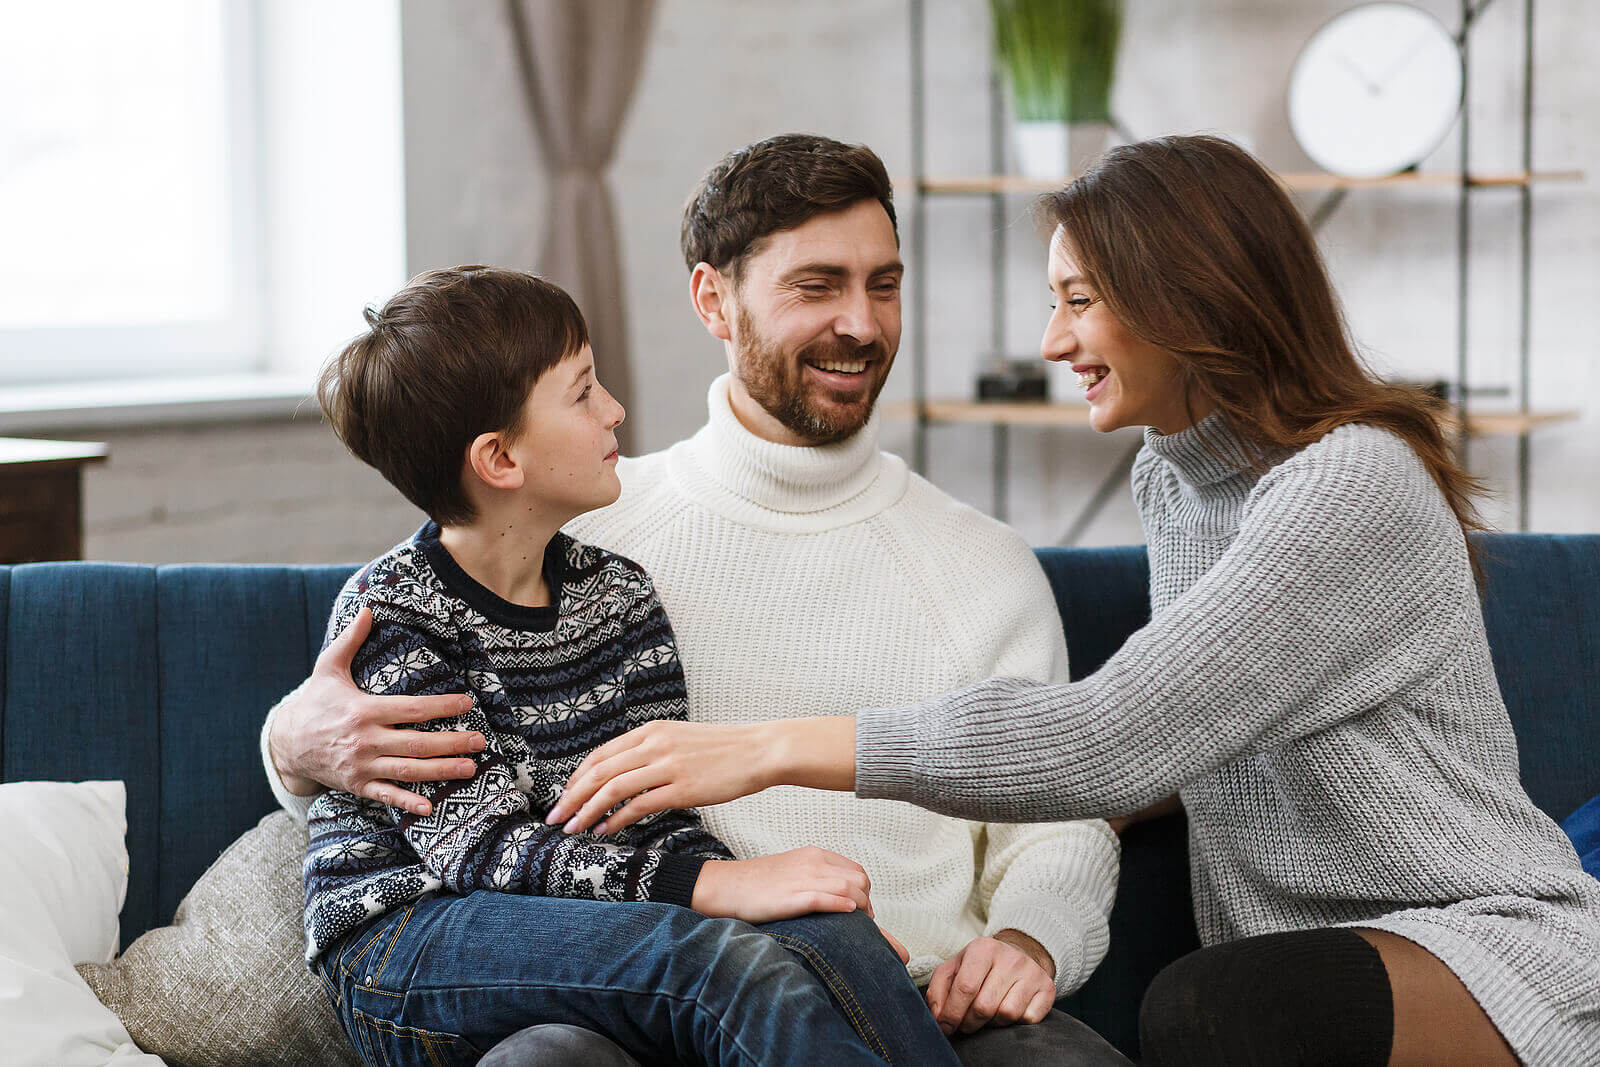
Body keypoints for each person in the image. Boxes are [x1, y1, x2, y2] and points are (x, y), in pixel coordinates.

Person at [546, 135, 1600, 1067]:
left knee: (1210, 1011)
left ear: (1187, 298)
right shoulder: (1176, 475)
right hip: (1302, 958)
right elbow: (1185, 732)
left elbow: (1116, 735)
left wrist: (768, 749)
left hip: (1479, 946)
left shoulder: (1351, 482)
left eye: (1079, 300)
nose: (1053, 342)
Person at [263, 135, 1127, 1066]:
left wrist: (1028, 936)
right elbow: (418, 789)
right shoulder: (576, 517)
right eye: (817, 285)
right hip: (621, 960)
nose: (862, 322)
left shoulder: (972, 564)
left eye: (884, 284)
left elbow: (1065, 803)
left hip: (881, 971)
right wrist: (291, 741)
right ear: (714, 299)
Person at [301, 265, 960, 1066]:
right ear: (500, 459)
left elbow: (654, 815)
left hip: (577, 921)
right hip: (411, 939)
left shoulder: (618, 593)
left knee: (830, 926)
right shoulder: (395, 615)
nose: (615, 408)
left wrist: (795, 925)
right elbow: (485, 850)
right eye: (583, 393)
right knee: (706, 957)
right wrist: (717, 889)